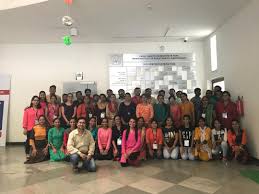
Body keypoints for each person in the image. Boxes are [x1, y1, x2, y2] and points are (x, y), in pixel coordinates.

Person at [23, 96, 45, 161]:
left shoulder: (41, 110)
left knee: (36, 141)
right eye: (34, 100)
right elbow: (25, 119)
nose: (36, 101)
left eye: (37, 100)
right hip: (30, 128)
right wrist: (25, 128)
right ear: (32, 101)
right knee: (29, 141)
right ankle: (27, 153)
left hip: (39, 128)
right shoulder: (27, 110)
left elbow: (42, 119)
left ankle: (35, 152)